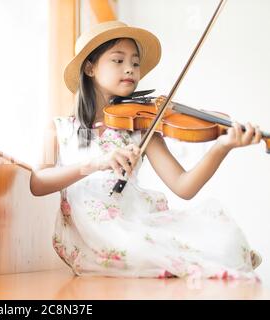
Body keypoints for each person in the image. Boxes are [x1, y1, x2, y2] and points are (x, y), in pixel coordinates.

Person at [30, 21, 262, 279]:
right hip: (91, 238)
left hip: (133, 222)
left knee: (224, 239)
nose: (130, 68)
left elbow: (184, 186)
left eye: (135, 62)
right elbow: (38, 183)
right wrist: (95, 163)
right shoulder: (58, 128)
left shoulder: (140, 127)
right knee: (135, 250)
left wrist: (222, 146)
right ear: (90, 67)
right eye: (118, 60)